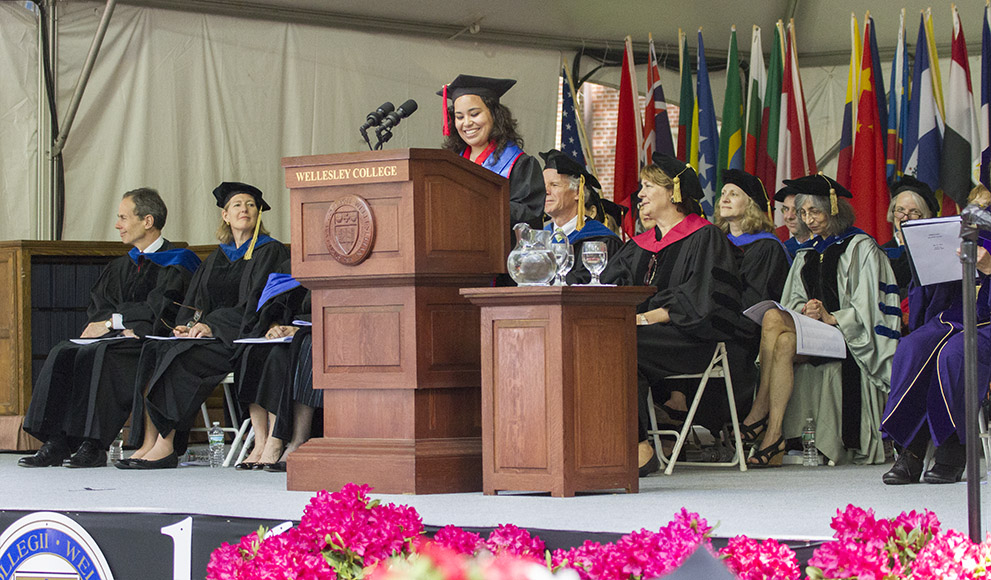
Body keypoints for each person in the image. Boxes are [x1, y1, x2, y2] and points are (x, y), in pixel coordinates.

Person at [20, 188, 200, 468]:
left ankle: (93, 444)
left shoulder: (178, 262)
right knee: (64, 351)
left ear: (148, 221)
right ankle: (55, 441)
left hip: (153, 341)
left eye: (123, 218)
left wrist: (115, 323)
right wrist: (114, 325)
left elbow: (163, 308)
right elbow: (99, 309)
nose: (117, 225)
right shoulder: (120, 266)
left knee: (104, 356)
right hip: (120, 339)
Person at [118, 182, 288, 469]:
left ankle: (167, 444)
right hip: (210, 336)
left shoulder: (269, 252)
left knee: (182, 358)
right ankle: (148, 441)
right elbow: (196, 302)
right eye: (237, 205)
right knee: (153, 351)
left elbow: (258, 304)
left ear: (258, 213)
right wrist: (188, 325)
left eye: (250, 205)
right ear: (225, 215)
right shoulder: (218, 257)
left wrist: (212, 327)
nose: (244, 209)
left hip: (240, 339)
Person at [739, 173, 900, 467]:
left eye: (814, 211)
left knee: (774, 317)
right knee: (785, 339)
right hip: (817, 334)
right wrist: (805, 312)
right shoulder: (807, 252)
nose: (808, 219)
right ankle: (774, 436)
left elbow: (870, 307)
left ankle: (758, 410)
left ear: (834, 208)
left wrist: (832, 317)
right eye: (802, 213)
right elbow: (794, 299)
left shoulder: (861, 247)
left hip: (848, 334)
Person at [601, 154, 744, 476]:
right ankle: (625, 440)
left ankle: (637, 446)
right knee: (600, 341)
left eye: (648, 186)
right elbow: (611, 286)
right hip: (641, 336)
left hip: (690, 341)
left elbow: (706, 299)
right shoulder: (638, 246)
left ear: (673, 192)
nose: (640, 194)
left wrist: (648, 318)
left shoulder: (706, 237)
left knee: (617, 342)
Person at [881, 184, 991, 485]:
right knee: (914, 346)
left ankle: (952, 449)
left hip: (988, 323)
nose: (978, 213)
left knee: (953, 353)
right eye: (973, 205)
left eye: (986, 206)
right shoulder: (964, 236)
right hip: (956, 317)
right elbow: (938, 292)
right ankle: (910, 449)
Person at [714, 169, 792, 417]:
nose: (724, 198)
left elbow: (755, 302)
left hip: (746, 332)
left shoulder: (766, 247)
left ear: (751, 205)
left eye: (734, 194)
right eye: (723, 193)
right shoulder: (716, 242)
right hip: (718, 323)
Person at [439, 74, 545, 229]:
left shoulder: (519, 165)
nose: (467, 123)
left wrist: (482, 205)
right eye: (459, 117)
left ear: (495, 115)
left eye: (474, 114)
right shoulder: (449, 164)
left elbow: (531, 215)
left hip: (501, 250)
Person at [232, 263, 309, 470]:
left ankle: (277, 439)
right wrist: (274, 327)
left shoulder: (336, 265)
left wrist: (297, 329)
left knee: (277, 356)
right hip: (284, 335)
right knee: (251, 353)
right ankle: (260, 441)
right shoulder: (289, 265)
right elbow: (272, 308)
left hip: (309, 336)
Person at [540, 148, 622, 284]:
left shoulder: (601, 240)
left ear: (577, 192)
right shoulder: (540, 240)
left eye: (554, 185)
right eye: (544, 186)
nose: (546, 192)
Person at [881, 176, 939, 297]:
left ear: (926, 216)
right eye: (900, 210)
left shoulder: (934, 252)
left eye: (914, 212)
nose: (905, 217)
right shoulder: (881, 251)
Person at [773, 185, 811, 258]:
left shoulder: (824, 247)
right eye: (786, 209)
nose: (789, 216)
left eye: (796, 210)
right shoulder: (784, 249)